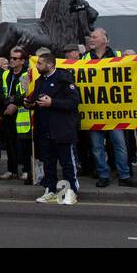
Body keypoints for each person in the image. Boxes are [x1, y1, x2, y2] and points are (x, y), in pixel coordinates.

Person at [83, 28, 135, 187]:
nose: (91, 39)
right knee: (97, 147)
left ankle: (124, 175)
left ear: (105, 40)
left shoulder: (118, 56)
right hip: (95, 111)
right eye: (91, 37)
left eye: (95, 37)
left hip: (114, 112)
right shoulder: (85, 58)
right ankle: (103, 174)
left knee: (120, 145)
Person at [28, 49, 80, 204]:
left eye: (40, 63)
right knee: (48, 163)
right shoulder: (40, 81)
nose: (37, 66)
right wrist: (30, 104)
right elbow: (38, 100)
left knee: (67, 163)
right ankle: (50, 190)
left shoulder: (63, 79)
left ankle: (72, 192)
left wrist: (53, 103)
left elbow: (73, 102)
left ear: (50, 64)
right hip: (44, 129)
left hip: (62, 129)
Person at [0, 46, 33, 183]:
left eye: (15, 58)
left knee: (24, 144)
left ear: (22, 61)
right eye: (10, 58)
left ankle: (26, 170)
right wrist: (6, 105)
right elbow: (0, 91)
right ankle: (11, 170)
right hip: (8, 113)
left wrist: (14, 103)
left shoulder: (27, 74)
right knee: (10, 143)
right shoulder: (6, 74)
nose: (11, 60)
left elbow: (28, 92)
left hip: (22, 113)